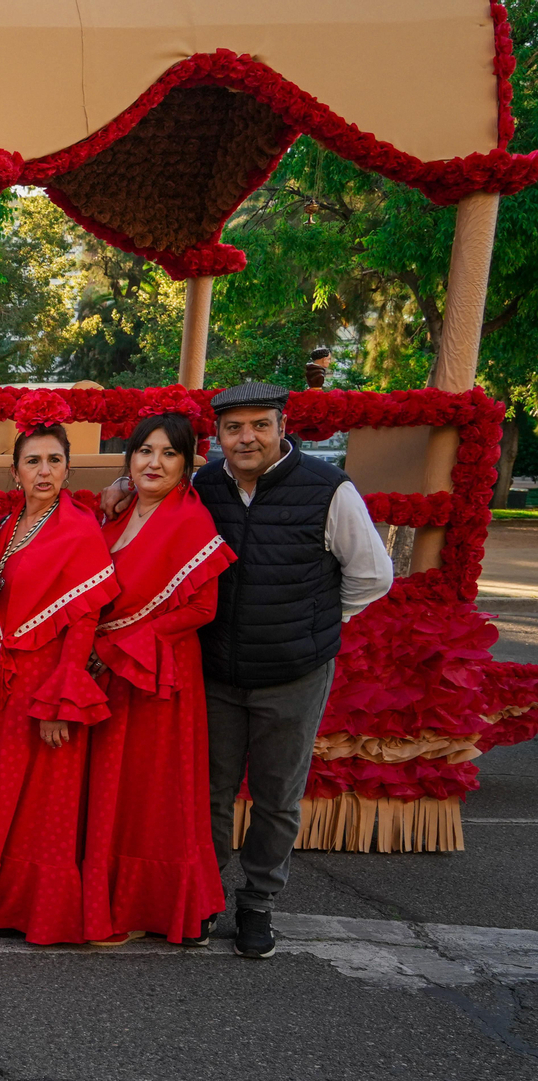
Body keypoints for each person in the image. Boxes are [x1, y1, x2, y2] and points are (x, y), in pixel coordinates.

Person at [108, 380, 392, 958]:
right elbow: (151, 492)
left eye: (259, 425)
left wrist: (311, 622)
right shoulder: (204, 485)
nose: (247, 438)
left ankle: (258, 901)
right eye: (234, 428)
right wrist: (118, 486)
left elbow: (373, 576)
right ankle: (204, 898)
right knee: (208, 793)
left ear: (282, 426)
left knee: (276, 795)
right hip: (215, 670)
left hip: (293, 671)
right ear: (218, 436)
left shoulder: (328, 489)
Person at [0, 391, 116, 945]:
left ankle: (43, 912)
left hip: (47, 679)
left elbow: (84, 622)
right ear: (15, 470)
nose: (43, 471)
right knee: (2, 795)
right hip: (2, 678)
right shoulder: (4, 523)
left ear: (68, 467)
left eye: (53, 460)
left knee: (47, 802)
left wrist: (60, 702)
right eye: (32, 461)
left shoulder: (78, 529)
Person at [83, 405, 234, 947]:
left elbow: (202, 609)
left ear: (187, 463)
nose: (155, 462)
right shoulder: (117, 515)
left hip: (157, 668)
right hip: (110, 668)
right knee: (112, 788)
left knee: (154, 791)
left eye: (169, 453)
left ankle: (159, 905)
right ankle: (110, 897)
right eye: (145, 450)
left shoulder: (190, 519)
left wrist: (126, 643)